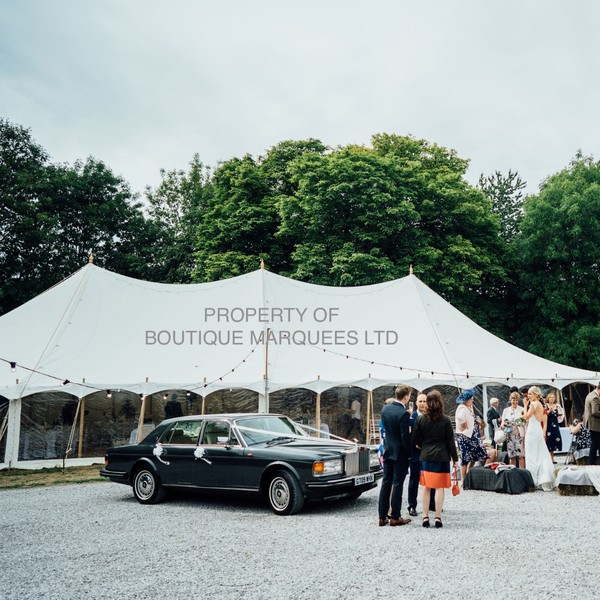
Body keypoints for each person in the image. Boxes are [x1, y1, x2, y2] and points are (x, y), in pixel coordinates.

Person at [412, 389, 458, 529]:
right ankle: (437, 517)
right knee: (439, 488)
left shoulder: (420, 419)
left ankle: (425, 517)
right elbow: (450, 441)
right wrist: (455, 459)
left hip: (426, 456)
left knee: (426, 487)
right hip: (442, 457)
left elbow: (414, 439)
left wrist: (421, 446)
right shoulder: (445, 420)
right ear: (440, 402)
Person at [378, 385, 412, 527]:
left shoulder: (385, 409)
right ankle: (395, 516)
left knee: (386, 483)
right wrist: (409, 454)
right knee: (397, 483)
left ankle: (381, 516)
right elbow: (405, 437)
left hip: (387, 450)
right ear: (405, 397)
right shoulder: (403, 413)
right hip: (400, 453)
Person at [407, 393, 435, 517]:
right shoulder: (411, 417)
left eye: (425, 401)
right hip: (415, 453)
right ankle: (412, 505)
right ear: (416, 402)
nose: (423, 403)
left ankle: (432, 504)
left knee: (431, 479)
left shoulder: (432, 417)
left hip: (429, 453)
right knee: (414, 480)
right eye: (420, 401)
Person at [523, 386, 555, 490]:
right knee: (540, 454)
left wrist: (524, 406)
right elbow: (541, 418)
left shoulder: (533, 404)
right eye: (528, 394)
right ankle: (542, 477)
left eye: (530, 394)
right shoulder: (541, 404)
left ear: (536, 394)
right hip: (538, 429)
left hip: (532, 430)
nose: (528, 396)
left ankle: (532, 480)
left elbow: (526, 417)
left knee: (531, 455)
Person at [455, 388, 488, 483]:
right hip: (465, 437)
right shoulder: (462, 408)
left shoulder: (468, 407)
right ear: (467, 400)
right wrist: (463, 423)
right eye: (471, 399)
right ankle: (463, 479)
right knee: (465, 457)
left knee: (474, 456)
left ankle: (468, 475)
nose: (473, 400)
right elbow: (460, 417)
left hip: (472, 437)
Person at [500, 391, 526, 468]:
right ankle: (513, 473)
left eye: (516, 400)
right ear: (510, 400)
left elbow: (525, 421)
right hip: (509, 435)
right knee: (511, 455)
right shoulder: (506, 410)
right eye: (513, 400)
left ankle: (522, 473)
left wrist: (520, 423)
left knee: (521, 455)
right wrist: (504, 424)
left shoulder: (522, 409)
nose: (515, 402)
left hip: (519, 434)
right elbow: (502, 422)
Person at [583, 382, 600, 465]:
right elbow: (595, 412)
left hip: (591, 424)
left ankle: (592, 463)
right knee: (594, 445)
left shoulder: (590, 394)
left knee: (596, 444)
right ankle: (591, 463)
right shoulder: (595, 397)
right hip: (595, 425)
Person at [545, 392, 564, 462]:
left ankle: (552, 456)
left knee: (555, 438)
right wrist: (549, 411)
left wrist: (559, 414)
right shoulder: (546, 405)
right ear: (548, 398)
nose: (552, 399)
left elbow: (559, 413)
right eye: (550, 397)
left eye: (553, 397)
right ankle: (550, 458)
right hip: (549, 425)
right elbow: (544, 414)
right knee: (549, 440)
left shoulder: (556, 406)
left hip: (555, 425)